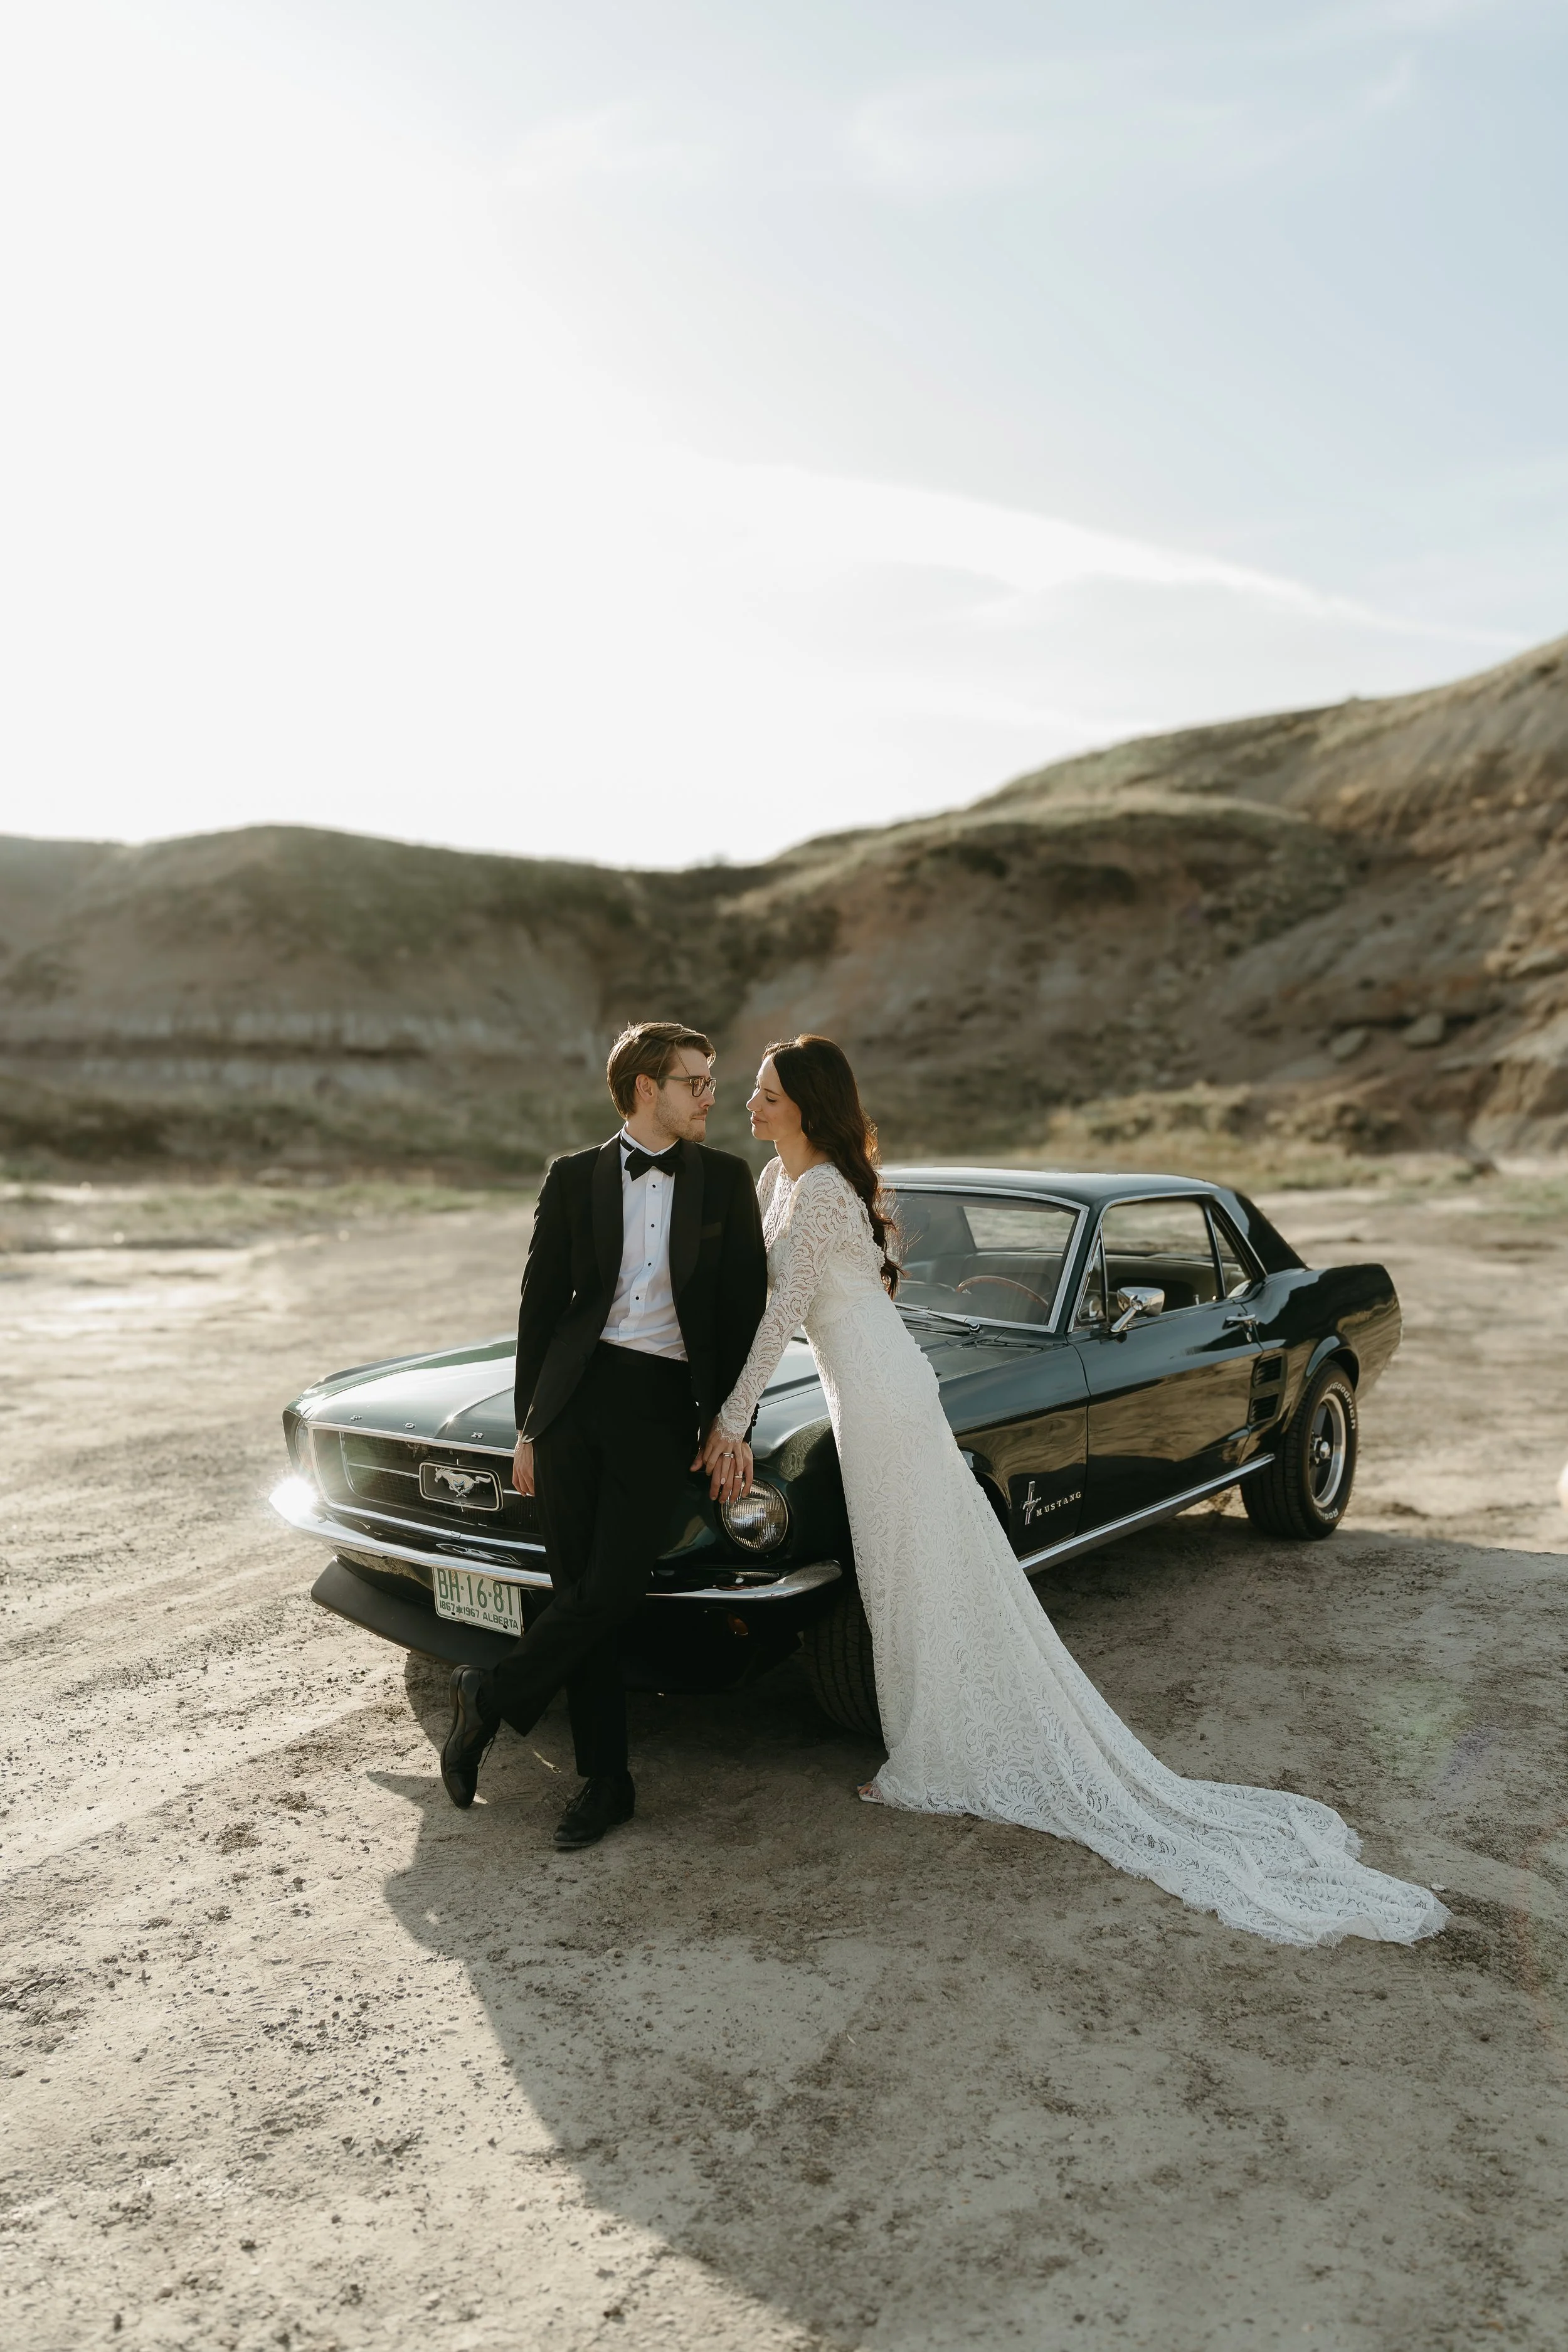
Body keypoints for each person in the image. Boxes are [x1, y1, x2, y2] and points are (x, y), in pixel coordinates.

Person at [700, 1035, 1449, 1950]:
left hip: (885, 1396)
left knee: (913, 1564)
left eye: (765, 1090)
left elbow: (783, 1314)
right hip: (861, 1387)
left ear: (806, 1104)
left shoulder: (819, 1191)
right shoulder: (779, 1183)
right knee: (904, 1568)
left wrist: (733, 1423)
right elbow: (755, 1294)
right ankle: (922, 1736)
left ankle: (933, 1753)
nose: (750, 1099)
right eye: (751, 1088)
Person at [440, 1020, 767, 1846]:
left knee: (610, 1588)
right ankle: (605, 1781)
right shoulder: (573, 1176)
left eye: (713, 1081)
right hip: (573, 1405)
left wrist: (735, 1424)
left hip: (663, 1405)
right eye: (697, 1081)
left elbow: (742, 1317)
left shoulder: (726, 1180)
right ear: (647, 1088)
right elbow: (540, 1312)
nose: (711, 1096)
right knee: (579, 1587)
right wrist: (529, 1427)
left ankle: (491, 1695)